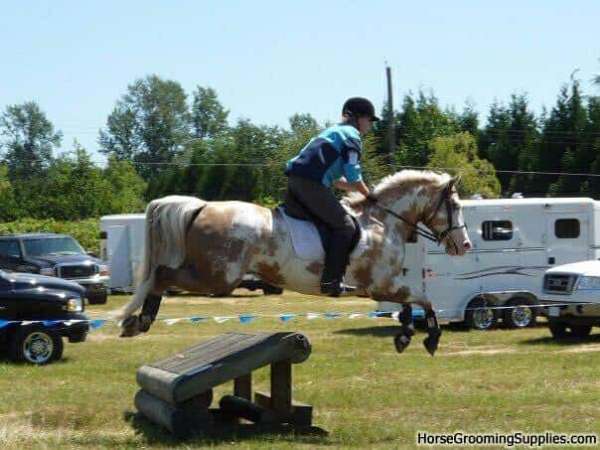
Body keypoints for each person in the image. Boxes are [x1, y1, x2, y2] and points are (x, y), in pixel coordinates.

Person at [284, 97, 379, 296]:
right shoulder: (352, 136)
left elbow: (338, 181)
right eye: (369, 119)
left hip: (296, 181)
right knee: (346, 226)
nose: (370, 125)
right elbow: (353, 173)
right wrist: (369, 195)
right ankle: (331, 281)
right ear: (358, 118)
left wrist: (358, 189)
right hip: (310, 184)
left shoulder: (331, 132)